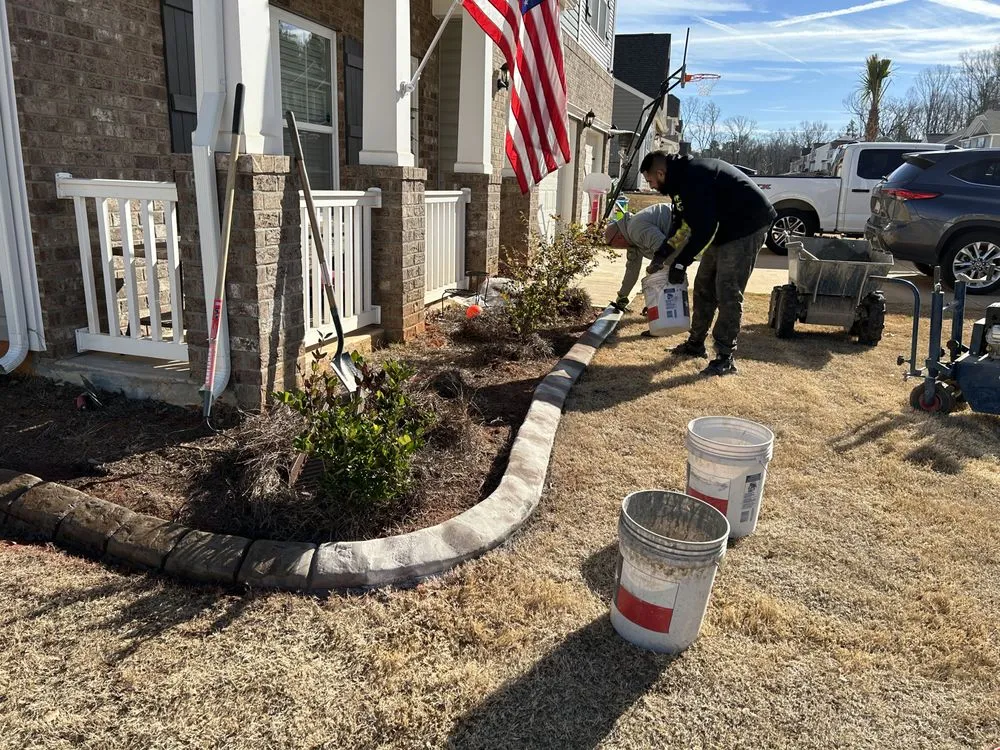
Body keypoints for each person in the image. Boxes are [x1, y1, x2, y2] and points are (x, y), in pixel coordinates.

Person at [639, 150, 777, 376]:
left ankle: (725, 357)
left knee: (727, 290)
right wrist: (662, 255)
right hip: (724, 226)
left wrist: (682, 263)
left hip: (748, 225)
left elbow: (704, 228)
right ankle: (695, 344)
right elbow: (682, 224)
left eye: (651, 181)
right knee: (704, 285)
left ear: (661, 173)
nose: (651, 186)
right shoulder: (678, 183)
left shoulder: (695, 177)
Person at [604, 201, 682, 315]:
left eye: (611, 244)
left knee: (660, 271)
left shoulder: (635, 229)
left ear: (619, 236)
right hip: (677, 236)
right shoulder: (631, 241)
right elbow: (632, 269)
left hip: (689, 223)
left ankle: (672, 311)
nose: (614, 247)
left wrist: (656, 301)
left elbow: (665, 251)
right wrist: (622, 296)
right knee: (656, 270)